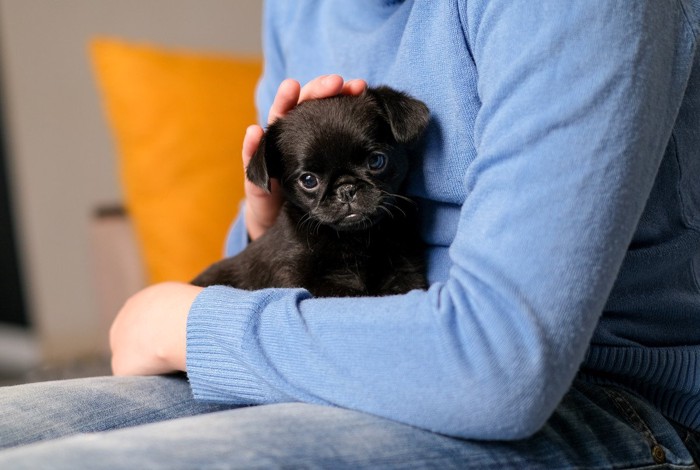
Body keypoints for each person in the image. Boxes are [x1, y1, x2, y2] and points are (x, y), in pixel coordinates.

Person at [1, 1, 699, 467]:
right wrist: (265, 216)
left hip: (598, 397)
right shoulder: (301, 6)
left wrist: (190, 327)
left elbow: (504, 364)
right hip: (353, 353)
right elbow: (267, 278)